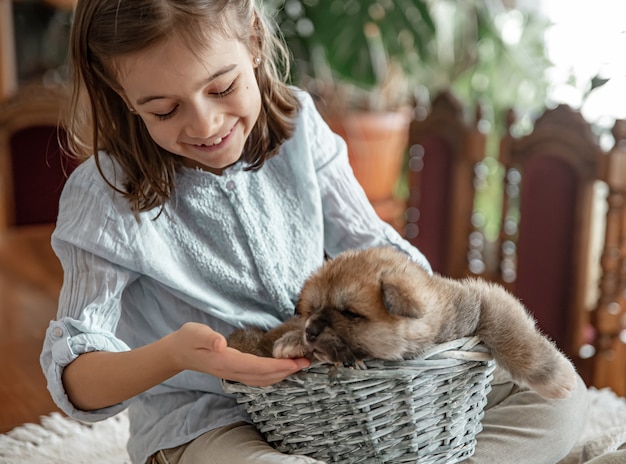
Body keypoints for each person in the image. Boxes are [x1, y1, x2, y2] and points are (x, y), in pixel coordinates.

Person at [40, 1, 589, 463]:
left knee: (561, 403)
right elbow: (78, 380)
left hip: (347, 393)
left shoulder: (299, 124)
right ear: (121, 97)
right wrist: (178, 356)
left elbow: (376, 249)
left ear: (254, 40)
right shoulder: (103, 194)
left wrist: (427, 321)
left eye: (223, 86)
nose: (205, 125)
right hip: (211, 419)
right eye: (163, 111)